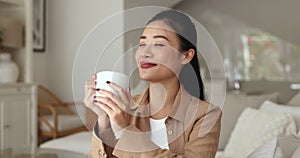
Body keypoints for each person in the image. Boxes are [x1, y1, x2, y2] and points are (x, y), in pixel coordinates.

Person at [84, 9, 222, 158]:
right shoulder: (126, 108)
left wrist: (125, 129)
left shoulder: (206, 115)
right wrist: (105, 122)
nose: (145, 53)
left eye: (159, 44)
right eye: (142, 44)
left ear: (186, 56)